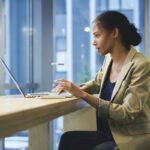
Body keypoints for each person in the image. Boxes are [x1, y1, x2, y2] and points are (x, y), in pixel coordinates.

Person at [56, 11, 150, 150]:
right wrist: (76, 89)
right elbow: (98, 82)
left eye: (97, 35)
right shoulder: (109, 59)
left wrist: (83, 95)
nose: (93, 42)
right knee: (68, 139)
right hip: (108, 133)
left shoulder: (141, 64)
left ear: (114, 33)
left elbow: (127, 113)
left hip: (129, 138)